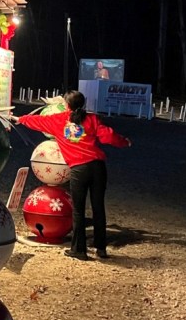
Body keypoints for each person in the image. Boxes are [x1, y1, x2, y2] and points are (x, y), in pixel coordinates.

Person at [12, 90, 131, 260]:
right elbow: (107, 136)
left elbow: (36, 121)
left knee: (78, 210)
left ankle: (79, 250)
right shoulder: (92, 118)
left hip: (79, 169)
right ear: (82, 104)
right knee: (98, 208)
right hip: (98, 167)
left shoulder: (58, 120)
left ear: (66, 105)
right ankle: (101, 249)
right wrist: (124, 141)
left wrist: (19, 119)